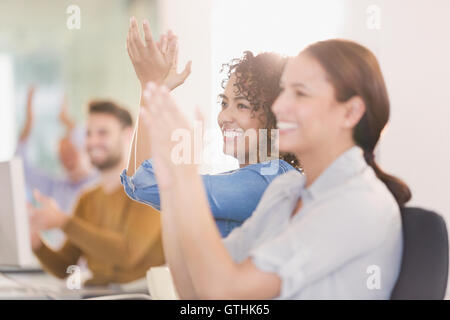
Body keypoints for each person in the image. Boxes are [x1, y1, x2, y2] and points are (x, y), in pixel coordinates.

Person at [138, 39, 411, 299]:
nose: (279, 106)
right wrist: (172, 181)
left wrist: (184, 178)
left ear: (350, 112)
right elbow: (194, 289)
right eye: (284, 91)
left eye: (300, 93)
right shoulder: (287, 191)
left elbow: (222, 292)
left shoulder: (355, 201)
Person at [121, 17, 299, 237]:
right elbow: (135, 183)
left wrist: (151, 87)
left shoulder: (268, 180)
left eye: (242, 105)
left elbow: (144, 183)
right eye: (224, 103)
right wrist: (152, 90)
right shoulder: (250, 178)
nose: (225, 116)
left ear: (278, 117)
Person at [28, 101, 165, 286]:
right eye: (88, 133)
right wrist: (35, 241)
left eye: (103, 133)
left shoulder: (148, 192)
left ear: (127, 135)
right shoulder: (87, 198)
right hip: (95, 293)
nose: (92, 142)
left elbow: (127, 253)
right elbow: (64, 266)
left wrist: (63, 221)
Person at [17, 86, 97, 214]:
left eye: (70, 151)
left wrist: (66, 120)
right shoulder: (56, 187)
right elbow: (22, 169)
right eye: (62, 154)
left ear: (84, 149)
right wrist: (29, 123)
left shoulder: (101, 180)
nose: (67, 157)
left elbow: (87, 136)